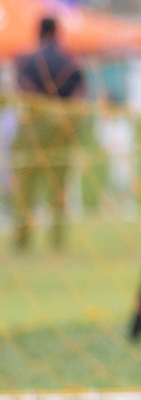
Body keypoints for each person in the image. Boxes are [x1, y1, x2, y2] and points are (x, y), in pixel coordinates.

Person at [13, 15, 87, 251]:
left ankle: (22, 241)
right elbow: (80, 94)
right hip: (61, 132)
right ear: (57, 33)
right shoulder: (70, 62)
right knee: (58, 191)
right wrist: (62, 116)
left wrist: (44, 111)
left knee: (26, 189)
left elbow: (24, 89)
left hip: (32, 131)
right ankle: (56, 242)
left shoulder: (25, 60)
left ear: (38, 31)